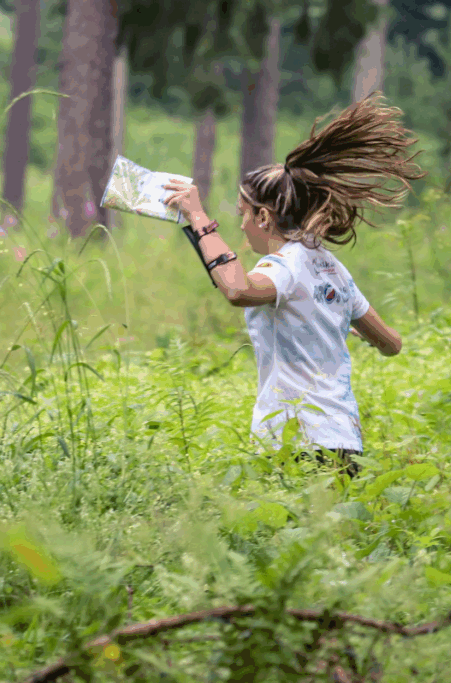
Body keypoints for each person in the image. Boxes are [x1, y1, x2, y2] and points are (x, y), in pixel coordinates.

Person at [162, 93, 425, 479]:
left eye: (243, 215)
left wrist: (199, 218)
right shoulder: (334, 268)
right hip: (344, 443)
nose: (241, 226)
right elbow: (392, 344)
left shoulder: (284, 265)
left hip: (296, 444)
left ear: (264, 217)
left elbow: (237, 290)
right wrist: (333, 326)